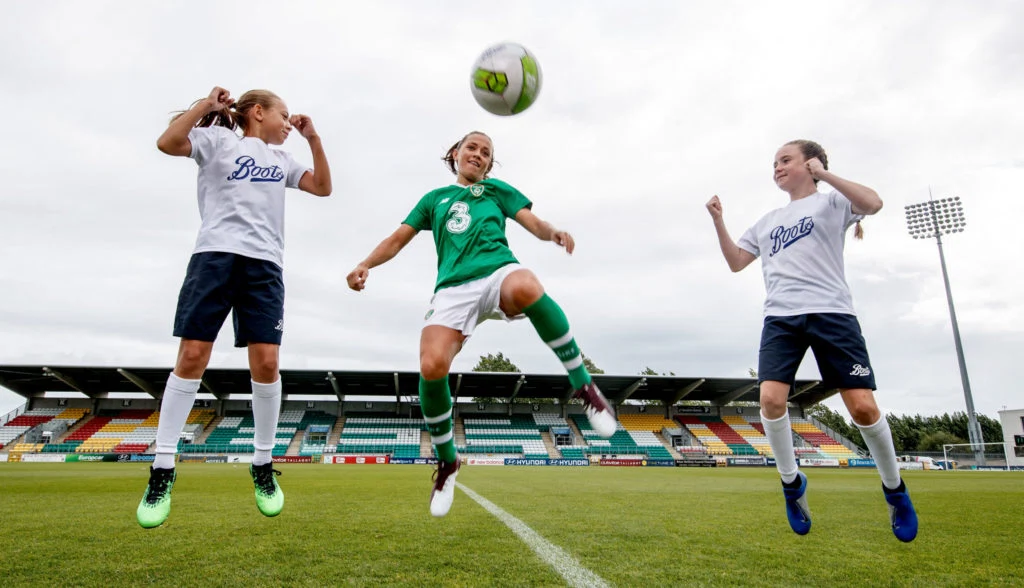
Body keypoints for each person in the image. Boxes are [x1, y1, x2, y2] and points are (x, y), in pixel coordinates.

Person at [345, 131, 616, 517]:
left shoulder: (496, 190)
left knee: (527, 285)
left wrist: (552, 232)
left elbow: (533, 222)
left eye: (486, 152)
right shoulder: (433, 199)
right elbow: (397, 239)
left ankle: (584, 384)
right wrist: (365, 264)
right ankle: (448, 461)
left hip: (496, 271)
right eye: (472, 147)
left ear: (489, 164)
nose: (478, 154)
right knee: (431, 366)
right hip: (452, 290)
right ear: (455, 153)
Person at [136, 86, 332, 529]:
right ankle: (162, 468)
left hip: (264, 266)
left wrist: (313, 138)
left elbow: (322, 187)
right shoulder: (219, 141)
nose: (289, 122)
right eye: (284, 115)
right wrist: (206, 106)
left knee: (267, 363)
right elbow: (167, 143)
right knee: (192, 356)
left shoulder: (283, 160)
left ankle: (262, 464)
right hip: (214, 257)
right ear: (258, 112)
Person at [705, 140, 918, 542]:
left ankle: (895, 490)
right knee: (770, 400)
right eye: (774, 163)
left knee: (863, 408)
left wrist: (825, 175)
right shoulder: (768, 220)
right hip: (781, 318)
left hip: (832, 314)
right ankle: (792, 484)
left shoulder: (832, 203)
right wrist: (719, 220)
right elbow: (736, 262)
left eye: (785, 160)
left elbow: (873, 203)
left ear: (811, 163)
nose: (777, 167)